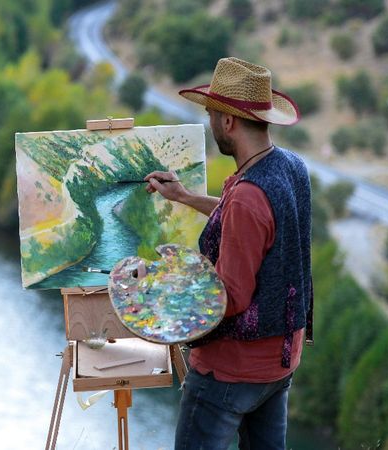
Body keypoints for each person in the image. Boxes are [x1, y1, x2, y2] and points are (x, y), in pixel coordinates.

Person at [144, 57, 313, 450]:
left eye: (211, 115)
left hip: (230, 372)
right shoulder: (291, 167)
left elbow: (230, 297)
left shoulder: (248, 196)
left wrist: (166, 295)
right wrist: (184, 197)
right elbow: (248, 221)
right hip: (279, 362)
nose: (210, 123)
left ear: (229, 122)